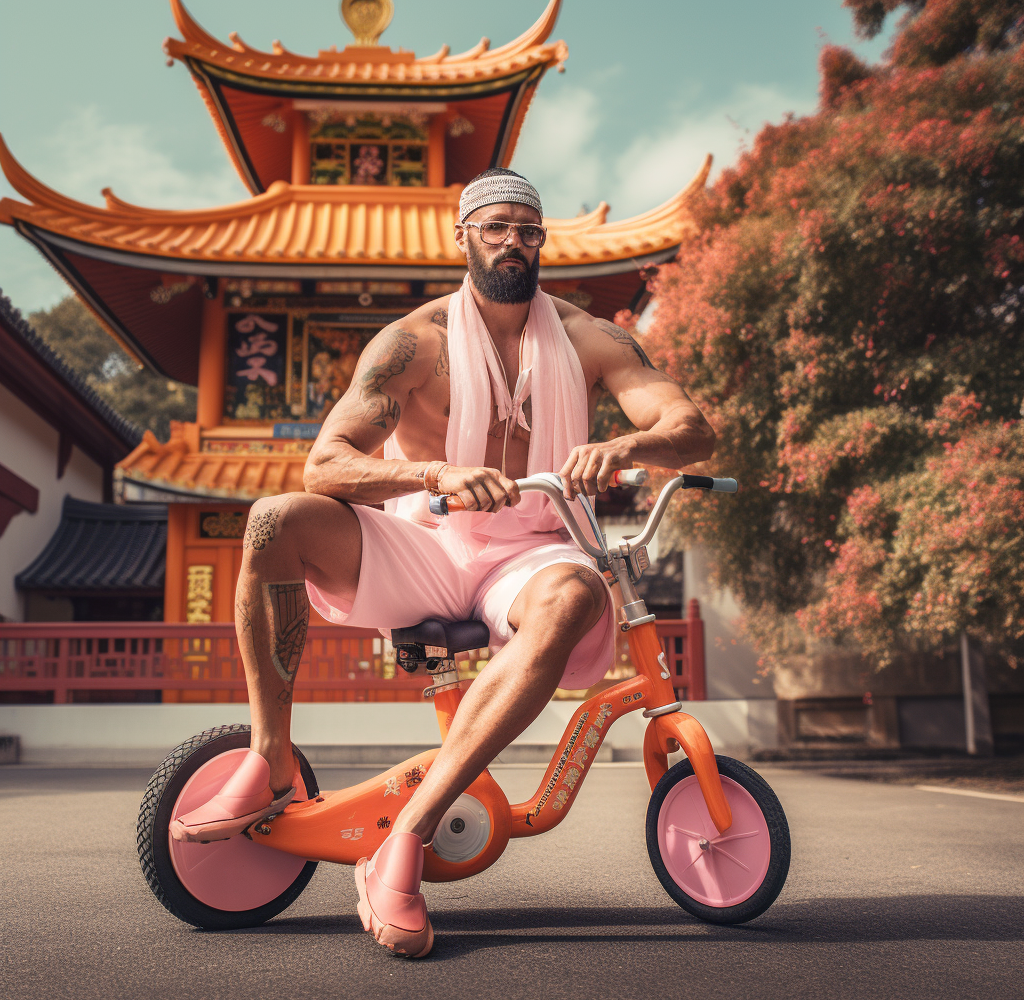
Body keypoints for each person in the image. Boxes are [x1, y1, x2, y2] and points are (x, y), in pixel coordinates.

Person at [170, 168, 715, 956]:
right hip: (424, 539)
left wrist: (623, 445)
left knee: (570, 597)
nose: (512, 242)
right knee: (271, 523)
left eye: (527, 230)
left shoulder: (589, 336)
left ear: (541, 241)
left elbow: (691, 427)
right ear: (462, 236)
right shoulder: (413, 343)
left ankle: (407, 836)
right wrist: (435, 474)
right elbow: (325, 464)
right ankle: (268, 755)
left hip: (535, 547)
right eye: (495, 227)